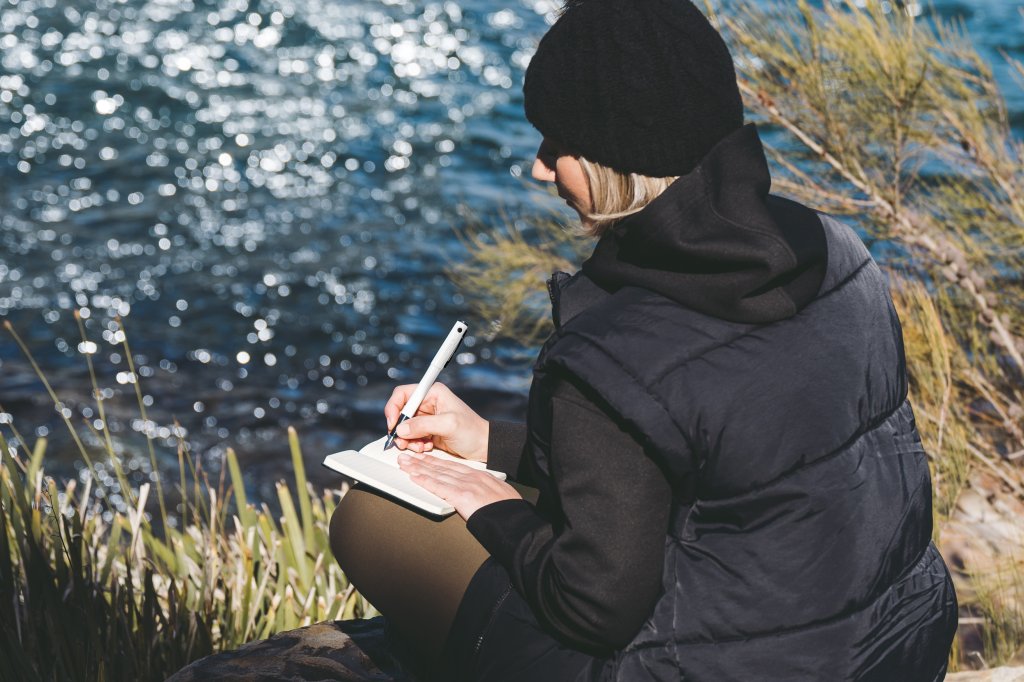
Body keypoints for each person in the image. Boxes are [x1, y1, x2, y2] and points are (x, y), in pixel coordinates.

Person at [329, 1, 959, 680]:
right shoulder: (839, 252)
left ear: (620, 158)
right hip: (899, 646)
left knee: (371, 519)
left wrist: (497, 509)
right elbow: (721, 464)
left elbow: (592, 607)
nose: (541, 170)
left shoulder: (614, 347)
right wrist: (488, 443)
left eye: (557, 144)